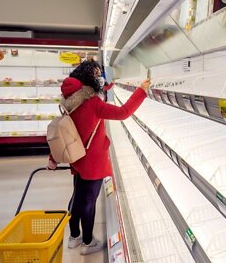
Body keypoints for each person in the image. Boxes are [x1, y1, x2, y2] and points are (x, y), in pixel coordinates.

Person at [47, 60, 150, 255]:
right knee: (88, 202)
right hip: (93, 161)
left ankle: (74, 236)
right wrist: (142, 91)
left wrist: (53, 157)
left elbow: (67, 131)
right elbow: (123, 112)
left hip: (77, 158)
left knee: (77, 198)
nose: (100, 77)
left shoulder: (71, 100)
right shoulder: (93, 104)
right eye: (96, 74)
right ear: (89, 78)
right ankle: (88, 242)